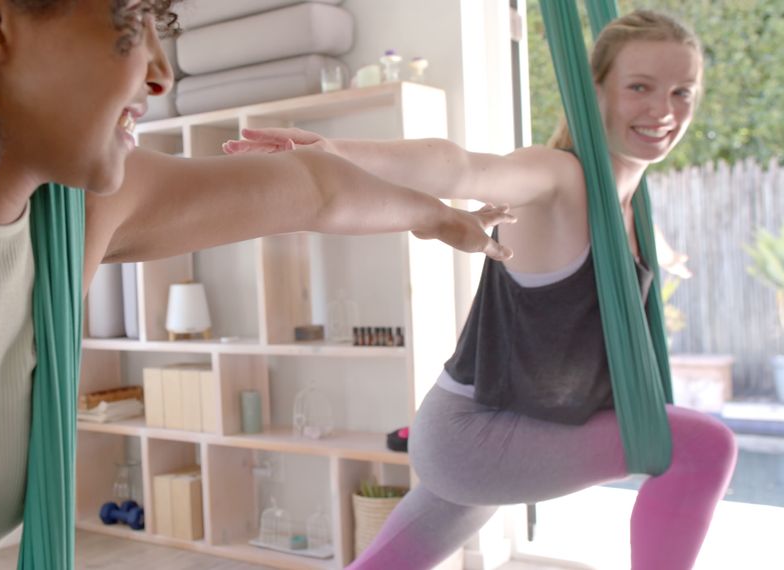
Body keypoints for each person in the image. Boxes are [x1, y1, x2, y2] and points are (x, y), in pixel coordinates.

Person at [0, 0, 515, 567]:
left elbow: (317, 186)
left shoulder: (80, 214)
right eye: (133, 17)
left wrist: (439, 217)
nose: (162, 72)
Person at [225, 9, 736, 570]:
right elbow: (462, 168)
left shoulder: (637, 205)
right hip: (480, 433)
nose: (663, 111)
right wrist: (335, 151)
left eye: (682, 92)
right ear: (594, 93)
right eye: (640, 87)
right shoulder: (560, 179)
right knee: (703, 448)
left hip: (491, 431)